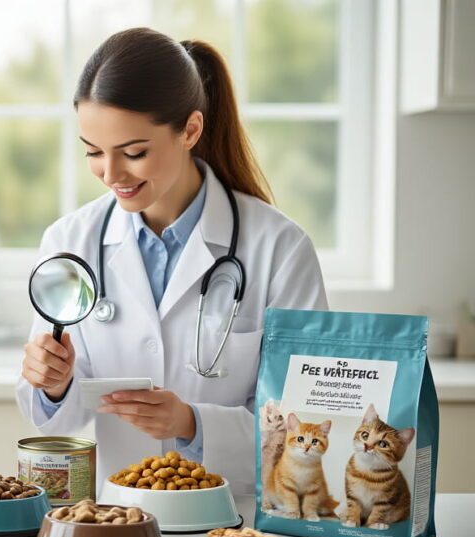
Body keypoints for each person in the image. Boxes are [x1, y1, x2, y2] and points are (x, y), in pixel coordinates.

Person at [16, 28, 327, 495]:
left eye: (134, 152)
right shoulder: (70, 241)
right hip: (116, 516)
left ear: (190, 130)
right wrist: (52, 383)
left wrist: (191, 423)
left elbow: (307, 423)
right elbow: (57, 416)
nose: (111, 174)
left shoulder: (280, 248)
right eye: (94, 152)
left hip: (234, 522)